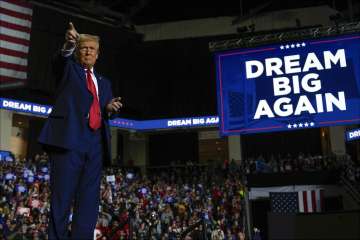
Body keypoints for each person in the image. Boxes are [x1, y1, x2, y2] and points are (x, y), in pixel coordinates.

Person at [38, 22, 123, 239]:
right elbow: (59, 62)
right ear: (77, 50)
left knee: (88, 202)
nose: (87, 51)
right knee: (62, 199)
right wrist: (67, 45)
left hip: (95, 144)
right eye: (83, 47)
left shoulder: (104, 83)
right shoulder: (69, 70)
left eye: (91, 48)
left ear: (97, 53)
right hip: (69, 140)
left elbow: (104, 111)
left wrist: (109, 109)